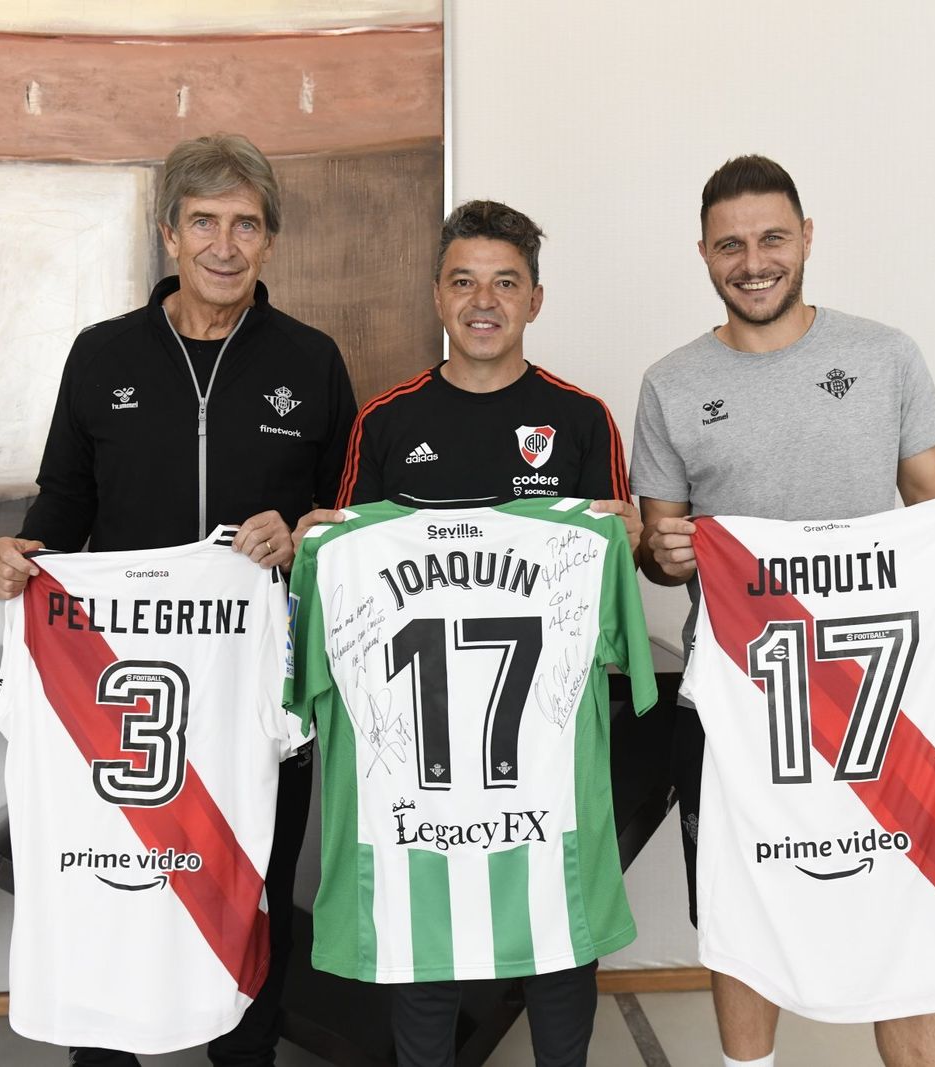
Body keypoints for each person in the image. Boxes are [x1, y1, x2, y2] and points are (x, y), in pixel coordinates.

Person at [631, 155, 935, 1067]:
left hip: (880, 695)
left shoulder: (885, 355)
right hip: (738, 699)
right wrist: (667, 550)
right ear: (703, 255)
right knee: (745, 900)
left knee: (903, 893)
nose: (753, 261)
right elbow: (655, 543)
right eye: (731, 245)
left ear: (807, 238)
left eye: (772, 238)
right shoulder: (670, 383)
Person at [0, 133, 356, 1067]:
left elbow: (347, 516)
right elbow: (60, 508)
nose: (224, 245)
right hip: (120, 688)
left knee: (250, 889)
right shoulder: (102, 353)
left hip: (253, 684)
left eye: (245, 224)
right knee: (111, 877)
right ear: (169, 235)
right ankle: (104, 1052)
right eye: (204, 223)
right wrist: (20, 558)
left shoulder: (309, 361)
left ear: (269, 241)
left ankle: (245, 1055)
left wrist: (307, 531)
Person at [291, 200, 640, 1067]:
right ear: (437, 296)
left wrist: (623, 538)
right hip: (419, 745)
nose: (483, 300)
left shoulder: (583, 416)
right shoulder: (387, 419)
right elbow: (345, 563)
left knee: (558, 930)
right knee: (423, 934)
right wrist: (317, 542)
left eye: (505, 283)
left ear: (535, 299)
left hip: (545, 743)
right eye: (463, 281)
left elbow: (612, 581)